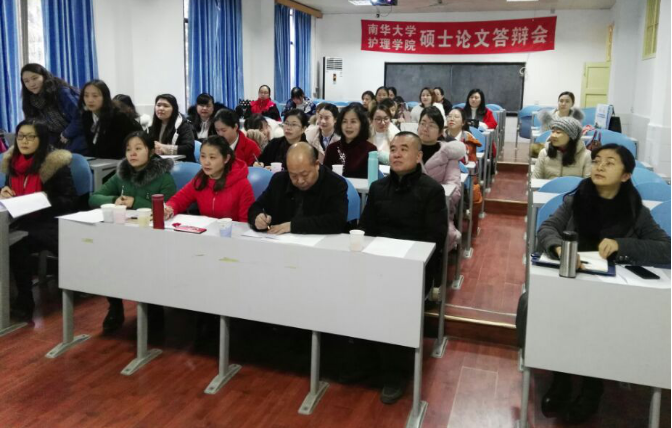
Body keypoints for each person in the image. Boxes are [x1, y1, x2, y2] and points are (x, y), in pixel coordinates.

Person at [536, 144, 671, 425]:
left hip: (613, 291)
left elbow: (665, 249)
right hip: (572, 283)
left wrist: (622, 245)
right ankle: (561, 378)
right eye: (597, 161)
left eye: (610, 163)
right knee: (553, 310)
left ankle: (592, 386)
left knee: (599, 321)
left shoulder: (635, 211)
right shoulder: (576, 200)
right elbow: (547, 228)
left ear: (626, 175)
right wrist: (560, 249)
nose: (599, 166)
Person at [358, 132, 448, 404]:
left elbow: (435, 239)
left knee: (392, 300)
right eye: (394, 149)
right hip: (379, 262)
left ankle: (395, 372)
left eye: (404, 149)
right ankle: (362, 360)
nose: (396, 154)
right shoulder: (378, 188)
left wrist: (403, 260)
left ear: (418, 156)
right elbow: (366, 229)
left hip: (414, 267)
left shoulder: (432, 191)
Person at [89, 131, 177, 333]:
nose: (132, 153)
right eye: (128, 149)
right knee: (108, 261)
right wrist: (114, 200)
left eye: (138, 148)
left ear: (151, 151)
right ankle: (115, 306)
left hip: (153, 238)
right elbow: (94, 197)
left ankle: (154, 311)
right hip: (124, 234)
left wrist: (135, 202)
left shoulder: (164, 177)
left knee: (147, 267)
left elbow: (169, 208)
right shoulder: (122, 174)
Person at [0, 119, 78, 321]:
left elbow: (69, 201)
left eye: (30, 137)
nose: (24, 141)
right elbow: (11, 193)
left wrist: (43, 200)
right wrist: (4, 192)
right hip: (20, 219)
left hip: (50, 221)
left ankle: (25, 300)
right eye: (20, 136)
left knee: (17, 244)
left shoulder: (55, 164)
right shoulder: (13, 163)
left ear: (41, 139)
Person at [249, 142, 348, 235]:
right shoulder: (279, 180)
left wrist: (292, 226)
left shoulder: (335, 184)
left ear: (317, 165)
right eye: (293, 175)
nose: (300, 181)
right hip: (279, 242)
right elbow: (256, 207)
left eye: (305, 174)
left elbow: (337, 221)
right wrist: (257, 217)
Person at [165, 135, 254, 221]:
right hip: (205, 230)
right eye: (203, 156)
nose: (206, 162)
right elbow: (179, 200)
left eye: (212, 157)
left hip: (231, 230)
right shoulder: (200, 179)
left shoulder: (242, 184)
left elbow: (245, 222)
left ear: (226, 159)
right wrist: (169, 209)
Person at [418, 107, 465, 249]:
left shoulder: (448, 154)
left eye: (431, 125)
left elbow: (454, 189)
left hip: (438, 209)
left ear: (440, 132)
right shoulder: (409, 150)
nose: (425, 128)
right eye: (423, 123)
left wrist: (431, 200)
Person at [20, 63, 85, 153]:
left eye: (35, 78)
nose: (31, 84)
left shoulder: (62, 92)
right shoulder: (31, 101)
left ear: (44, 77)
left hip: (79, 136)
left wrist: (66, 134)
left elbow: (81, 116)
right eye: (26, 81)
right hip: (59, 140)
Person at [79, 80, 142, 159]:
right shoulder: (86, 115)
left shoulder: (118, 116)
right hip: (100, 160)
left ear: (105, 97)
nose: (90, 100)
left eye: (95, 96)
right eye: (86, 96)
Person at [446, 108, 484, 234]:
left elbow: (471, 164)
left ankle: (455, 230)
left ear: (463, 122)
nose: (452, 119)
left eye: (456, 117)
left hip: (462, 179)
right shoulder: (440, 136)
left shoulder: (468, 139)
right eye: (450, 116)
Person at [324, 104, 378, 179]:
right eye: (344, 121)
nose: (348, 126)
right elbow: (325, 177)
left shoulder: (370, 150)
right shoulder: (332, 148)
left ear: (362, 124)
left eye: (353, 121)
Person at [148, 94, 196, 162]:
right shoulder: (152, 126)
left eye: (165, 106)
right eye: (158, 105)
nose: (161, 108)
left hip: (182, 163)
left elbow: (189, 148)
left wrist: (163, 147)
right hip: (159, 163)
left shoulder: (183, 125)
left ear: (174, 109)